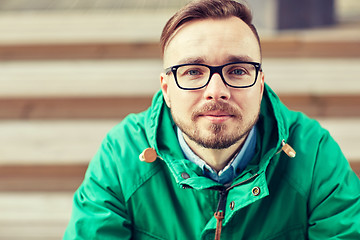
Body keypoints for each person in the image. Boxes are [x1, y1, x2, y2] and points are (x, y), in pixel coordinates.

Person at [63, 0, 360, 239]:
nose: (216, 92)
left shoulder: (314, 154)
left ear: (260, 84)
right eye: (193, 71)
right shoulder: (122, 156)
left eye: (238, 70)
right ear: (166, 89)